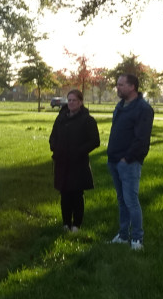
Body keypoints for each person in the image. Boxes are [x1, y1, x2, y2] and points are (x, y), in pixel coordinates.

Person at [107, 72, 154, 251]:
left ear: (132, 86)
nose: (117, 88)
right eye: (117, 84)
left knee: (131, 201)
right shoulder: (120, 106)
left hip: (128, 163)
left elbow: (142, 139)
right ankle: (123, 235)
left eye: (121, 84)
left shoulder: (143, 108)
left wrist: (127, 159)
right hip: (114, 160)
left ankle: (137, 239)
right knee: (122, 201)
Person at [49, 87, 100, 233]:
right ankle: (66, 223)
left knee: (77, 195)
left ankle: (77, 224)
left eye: (74, 100)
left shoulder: (88, 120)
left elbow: (94, 141)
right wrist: (55, 148)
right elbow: (53, 136)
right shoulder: (61, 118)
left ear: (80, 102)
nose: (71, 103)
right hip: (62, 162)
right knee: (64, 194)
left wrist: (78, 151)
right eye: (69, 100)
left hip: (78, 163)